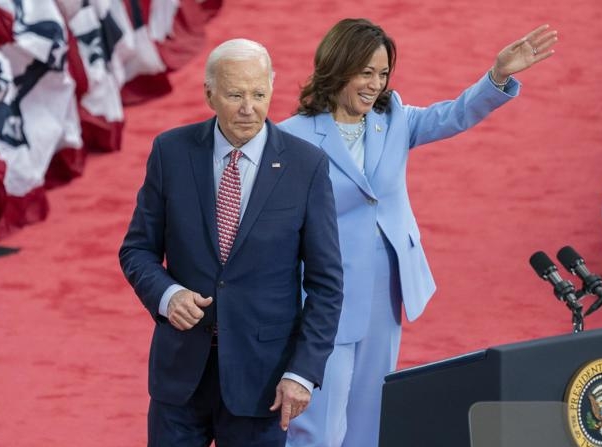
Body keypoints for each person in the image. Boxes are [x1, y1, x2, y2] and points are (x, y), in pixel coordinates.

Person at [278, 18, 558, 447]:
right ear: (337, 68)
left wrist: (497, 75)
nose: (375, 84)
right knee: (319, 423)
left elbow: (454, 115)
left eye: (383, 73)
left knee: (371, 414)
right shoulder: (292, 137)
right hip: (323, 296)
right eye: (365, 72)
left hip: (385, 289)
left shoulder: (392, 120)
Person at [119, 38, 344, 447]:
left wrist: (302, 372)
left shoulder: (306, 166)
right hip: (180, 378)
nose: (248, 108)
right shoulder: (170, 152)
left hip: (263, 382)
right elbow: (137, 249)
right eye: (235, 94)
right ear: (209, 94)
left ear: (272, 90)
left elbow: (326, 284)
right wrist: (167, 296)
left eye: (259, 94)